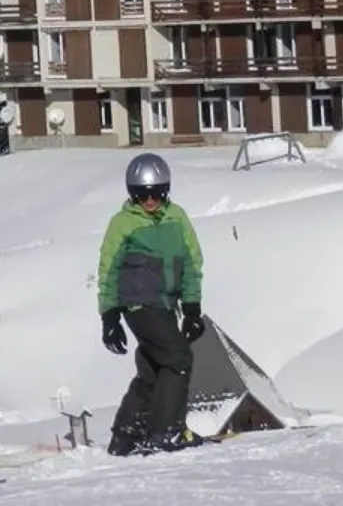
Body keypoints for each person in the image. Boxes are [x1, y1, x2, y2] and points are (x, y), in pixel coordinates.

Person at [96, 152, 206, 457]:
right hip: (138, 305)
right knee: (178, 358)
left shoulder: (177, 218)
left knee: (154, 370)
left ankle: (127, 434)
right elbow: (108, 270)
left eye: (155, 194)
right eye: (141, 196)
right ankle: (166, 430)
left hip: (166, 305)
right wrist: (109, 316)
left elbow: (192, 263)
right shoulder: (122, 223)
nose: (149, 201)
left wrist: (192, 309)